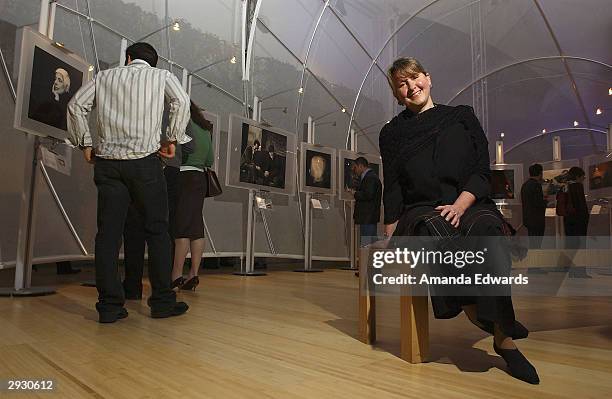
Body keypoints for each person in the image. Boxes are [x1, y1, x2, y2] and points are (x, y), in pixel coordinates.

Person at [380, 57, 538, 384]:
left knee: (488, 228)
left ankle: (497, 330)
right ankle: (489, 319)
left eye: (414, 78)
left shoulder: (461, 116)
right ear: (397, 94)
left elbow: (481, 169)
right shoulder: (392, 133)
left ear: (428, 77)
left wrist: (461, 204)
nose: (411, 87)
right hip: (420, 209)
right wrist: (391, 233)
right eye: (402, 84)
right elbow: (393, 185)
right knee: (434, 229)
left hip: (467, 199)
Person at [67, 42, 190, 323]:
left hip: (108, 165)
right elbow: (181, 102)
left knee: (108, 235)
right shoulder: (162, 77)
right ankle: (162, 302)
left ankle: (109, 307)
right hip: (145, 163)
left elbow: (75, 106)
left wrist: (85, 144)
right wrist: (170, 139)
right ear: (153, 63)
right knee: (157, 231)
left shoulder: (104, 77)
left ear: (129, 58)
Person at [171, 101, 215, 291]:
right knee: (196, 228)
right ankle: (193, 274)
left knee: (181, 227)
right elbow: (210, 160)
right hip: (200, 179)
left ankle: (175, 276)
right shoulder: (205, 128)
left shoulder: (183, 123)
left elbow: (179, 152)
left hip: (184, 176)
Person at [563, 166, 591, 278]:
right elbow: (581, 207)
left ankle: (572, 271)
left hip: (569, 221)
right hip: (579, 222)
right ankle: (580, 271)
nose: (583, 179)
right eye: (583, 176)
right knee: (580, 246)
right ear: (578, 176)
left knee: (571, 245)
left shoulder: (566, 187)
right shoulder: (578, 187)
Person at [351, 157, 382, 247]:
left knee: (367, 245)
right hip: (368, 217)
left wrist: (355, 193)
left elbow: (368, 195)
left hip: (368, 217)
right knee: (368, 244)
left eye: (355, 167)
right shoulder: (370, 177)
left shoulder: (371, 177)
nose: (354, 170)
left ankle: (367, 261)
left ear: (361, 166)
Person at [521, 164, 548, 249]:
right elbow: (538, 203)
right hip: (537, 219)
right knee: (537, 244)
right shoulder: (536, 185)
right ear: (540, 173)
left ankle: (533, 259)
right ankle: (536, 261)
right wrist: (545, 201)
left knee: (532, 243)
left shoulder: (525, 185)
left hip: (528, 218)